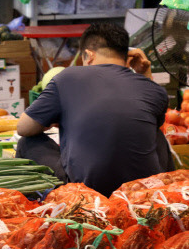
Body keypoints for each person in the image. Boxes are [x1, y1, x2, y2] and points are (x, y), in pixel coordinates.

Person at [16, 22, 174, 196]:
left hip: (87, 193)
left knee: (27, 142)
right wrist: (145, 74)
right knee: (157, 135)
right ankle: (164, 197)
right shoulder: (154, 89)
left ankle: (37, 206)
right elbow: (153, 120)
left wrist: (53, 119)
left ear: (88, 55)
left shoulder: (68, 78)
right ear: (126, 56)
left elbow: (23, 128)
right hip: (139, 192)